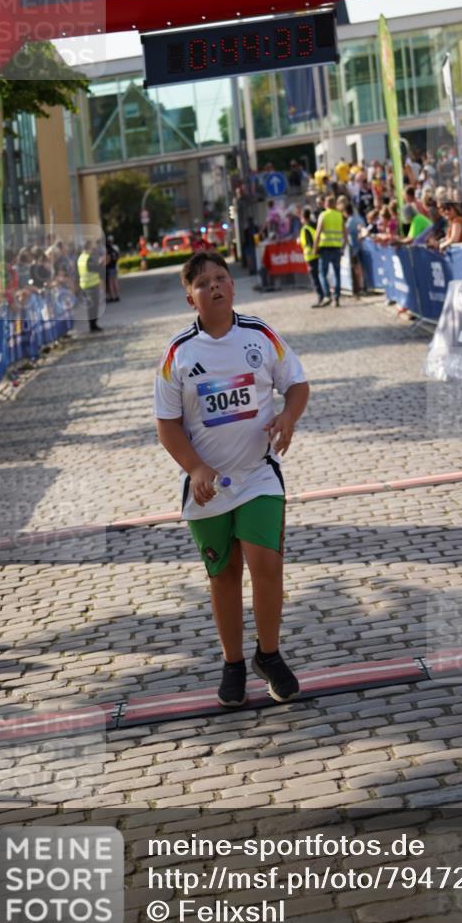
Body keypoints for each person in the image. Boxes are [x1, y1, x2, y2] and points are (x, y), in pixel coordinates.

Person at [154, 251, 309, 707]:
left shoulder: (260, 335)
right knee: (223, 576)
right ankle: (234, 663)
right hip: (208, 488)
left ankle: (270, 654)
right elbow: (167, 424)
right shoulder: (178, 354)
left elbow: (297, 384)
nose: (215, 286)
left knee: (267, 563)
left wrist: (288, 417)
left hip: (258, 474)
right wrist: (196, 468)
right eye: (203, 283)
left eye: (221, 278)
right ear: (190, 298)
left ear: (233, 286)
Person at [313, 194, 347, 308]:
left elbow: (317, 233)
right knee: (337, 274)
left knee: (322, 273)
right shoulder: (339, 215)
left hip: (325, 249)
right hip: (337, 248)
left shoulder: (323, 215)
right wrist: (343, 247)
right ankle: (336, 299)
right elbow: (345, 233)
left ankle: (327, 295)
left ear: (326, 204)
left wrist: (315, 248)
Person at [299, 207, 324, 307]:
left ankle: (320, 297)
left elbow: (309, 243)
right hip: (318, 254)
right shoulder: (314, 225)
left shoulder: (305, 228)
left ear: (303, 218)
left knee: (315, 278)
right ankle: (324, 296)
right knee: (320, 277)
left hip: (311, 257)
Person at [76, 239, 103, 332]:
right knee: (93, 307)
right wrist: (101, 263)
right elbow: (94, 269)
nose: (93, 249)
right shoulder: (88, 258)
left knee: (90, 306)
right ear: (88, 247)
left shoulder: (80, 257)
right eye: (91, 247)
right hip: (91, 285)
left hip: (85, 285)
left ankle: (92, 325)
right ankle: (93, 326)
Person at [105, 234, 121, 302]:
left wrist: (104, 264)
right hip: (115, 266)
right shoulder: (115, 248)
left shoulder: (108, 249)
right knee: (115, 282)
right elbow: (118, 256)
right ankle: (117, 295)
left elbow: (107, 259)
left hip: (110, 268)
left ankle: (112, 296)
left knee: (111, 283)